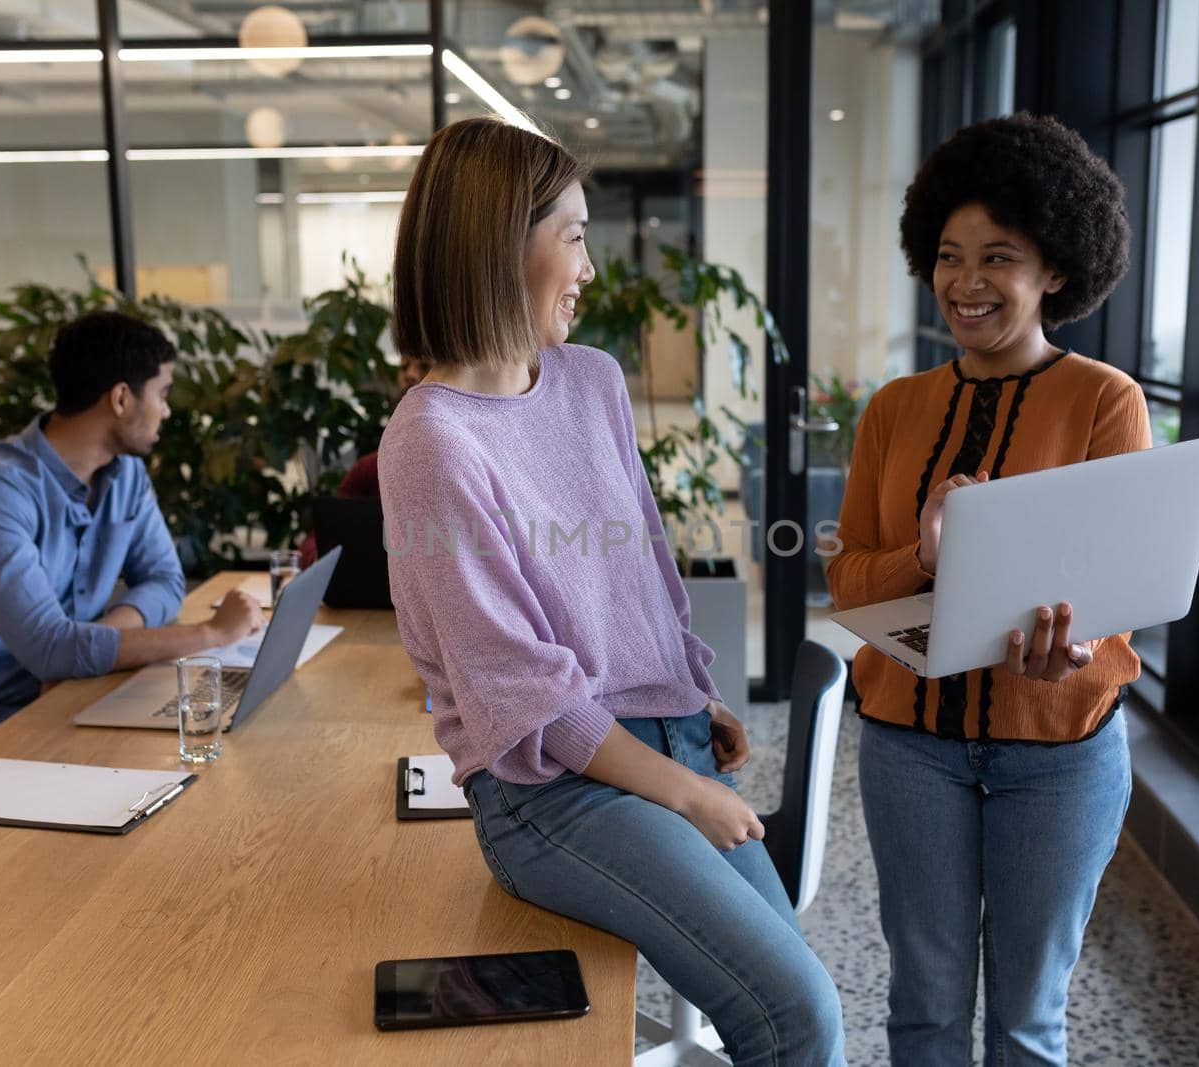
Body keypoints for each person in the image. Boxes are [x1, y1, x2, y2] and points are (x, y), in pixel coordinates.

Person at [378, 117, 845, 1066]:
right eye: (575, 236)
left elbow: (641, 574)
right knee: (796, 1016)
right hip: (552, 796)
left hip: (660, 746)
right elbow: (526, 699)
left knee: (805, 999)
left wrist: (690, 691)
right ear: (500, 244)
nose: (590, 265)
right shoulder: (431, 440)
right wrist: (684, 791)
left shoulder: (590, 380)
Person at [827, 112, 1148, 1066]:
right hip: (910, 750)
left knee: (1026, 1016)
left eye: (998, 257)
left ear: (1054, 269)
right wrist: (924, 557)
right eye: (950, 255)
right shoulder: (893, 410)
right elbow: (847, 584)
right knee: (923, 1004)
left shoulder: (1103, 401)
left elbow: (1119, 596)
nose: (966, 283)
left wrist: (1074, 652)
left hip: (1059, 755)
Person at [0, 311, 263, 770]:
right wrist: (213, 633)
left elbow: (164, 579)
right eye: (162, 393)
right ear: (121, 398)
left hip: (82, 697)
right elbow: (49, 650)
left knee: (212, 772)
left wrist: (91, 643)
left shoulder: (125, 476)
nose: (167, 410)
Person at [295, 353, 430, 568]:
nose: (411, 375)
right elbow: (317, 540)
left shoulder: (468, 466)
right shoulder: (369, 469)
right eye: (404, 367)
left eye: (424, 365)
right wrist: (320, 557)